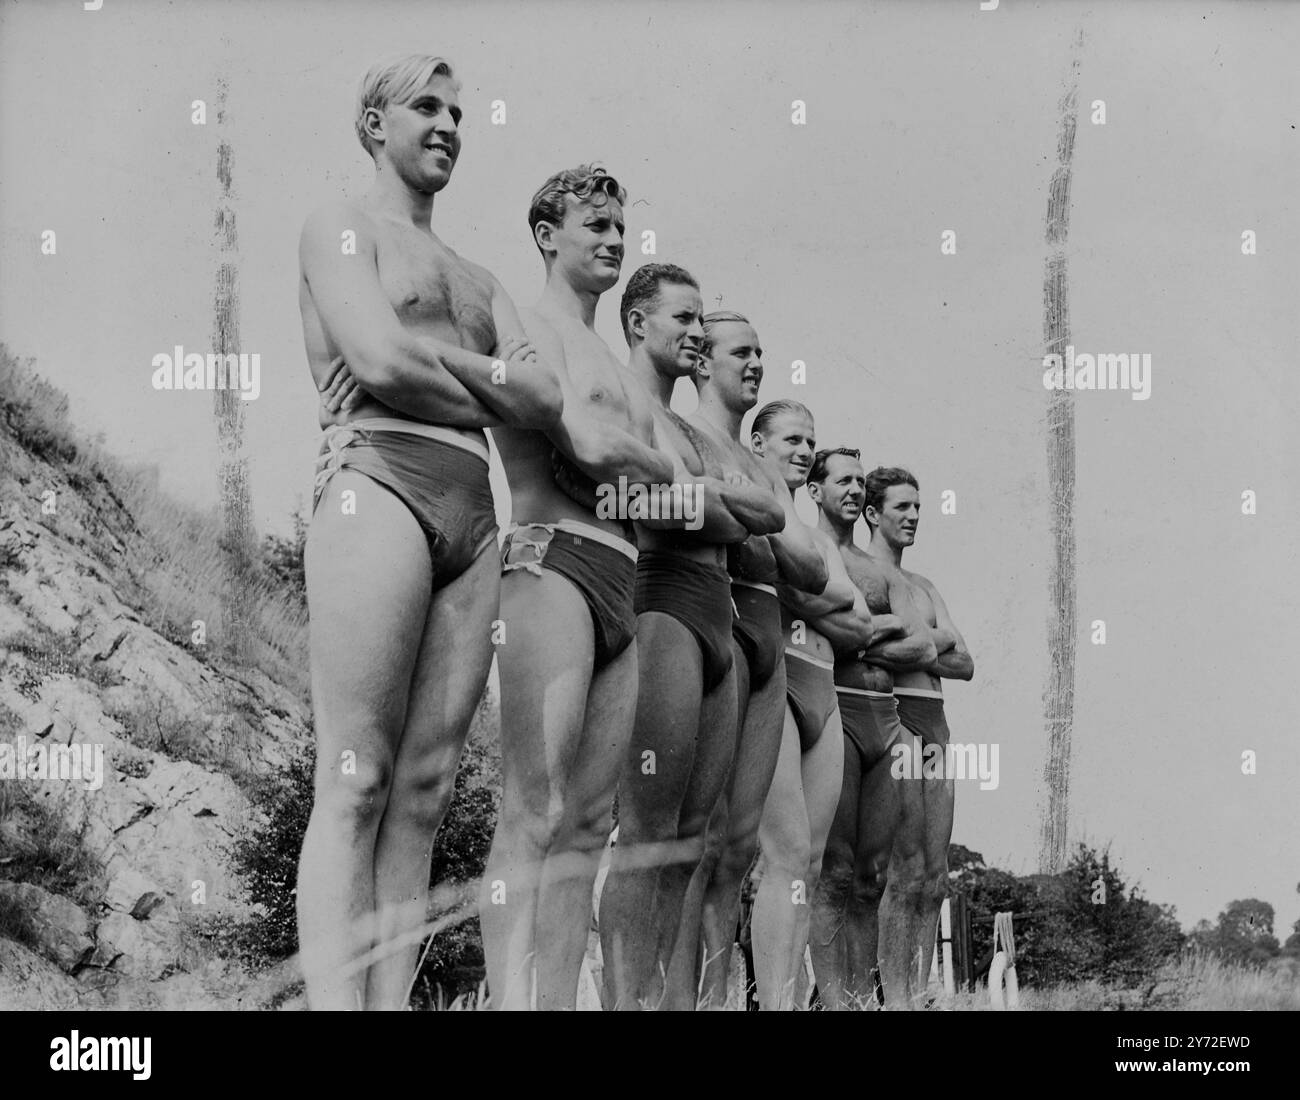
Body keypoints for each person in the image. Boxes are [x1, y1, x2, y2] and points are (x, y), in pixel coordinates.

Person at [297, 53, 561, 1010]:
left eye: (459, 110)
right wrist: (477, 376)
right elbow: (376, 360)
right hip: (379, 482)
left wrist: (432, 359)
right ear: (374, 123)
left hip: (472, 510)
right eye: (426, 107)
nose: (449, 124)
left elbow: (543, 400)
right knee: (357, 777)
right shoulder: (341, 227)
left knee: (425, 791)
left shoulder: (482, 279)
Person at [480, 165, 676, 1009]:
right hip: (549, 558)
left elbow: (655, 476)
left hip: (621, 580)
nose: (611, 240)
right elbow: (587, 453)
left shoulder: (618, 365)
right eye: (594, 225)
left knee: (591, 824)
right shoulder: (527, 326)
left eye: (619, 230)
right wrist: (623, 458)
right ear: (545, 235)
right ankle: (508, 1000)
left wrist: (617, 454)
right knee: (534, 804)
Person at [597, 264, 786, 1010]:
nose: (697, 334)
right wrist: (714, 502)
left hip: (721, 611)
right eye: (684, 319)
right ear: (639, 322)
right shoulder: (626, 398)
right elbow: (637, 500)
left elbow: (765, 514)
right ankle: (622, 1000)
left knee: (691, 842)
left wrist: (711, 500)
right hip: (664, 597)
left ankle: (665, 1001)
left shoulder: (689, 428)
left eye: (702, 322)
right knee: (646, 834)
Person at [665, 318, 827, 1009]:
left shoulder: (762, 469)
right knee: (692, 842)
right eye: (743, 353)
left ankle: (740, 999)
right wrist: (755, 515)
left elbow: (813, 569)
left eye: (763, 351)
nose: (757, 362)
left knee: (741, 850)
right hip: (715, 624)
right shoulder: (684, 431)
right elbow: (682, 511)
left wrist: (746, 509)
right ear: (704, 362)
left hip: (771, 645)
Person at [804, 448, 936, 1010]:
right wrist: (866, 630)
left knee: (872, 877)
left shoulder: (880, 568)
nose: (856, 490)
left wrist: (859, 628)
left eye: (861, 481)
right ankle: (833, 1002)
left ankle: (861, 1000)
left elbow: (926, 642)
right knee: (833, 872)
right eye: (844, 480)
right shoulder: (807, 547)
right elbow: (816, 622)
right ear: (816, 490)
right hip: (838, 705)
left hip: (887, 715)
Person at [745, 401, 862, 1009]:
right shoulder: (753, 503)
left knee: (811, 865)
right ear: (759, 442)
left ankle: (787, 998)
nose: (802, 450)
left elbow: (858, 617)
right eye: (791, 439)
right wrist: (814, 589)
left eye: (809, 442)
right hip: (779, 678)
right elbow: (825, 592)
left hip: (825, 687)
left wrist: (799, 587)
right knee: (783, 852)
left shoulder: (815, 537)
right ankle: (769, 1001)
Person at [862, 467, 974, 1000]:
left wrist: (923, 644)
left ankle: (919, 993)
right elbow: (863, 645)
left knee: (934, 876)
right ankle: (894, 996)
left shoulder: (925, 586)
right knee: (903, 871)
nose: (912, 517)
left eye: (917, 508)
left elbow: (965, 662)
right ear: (872, 513)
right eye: (901, 507)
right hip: (898, 716)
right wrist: (934, 643)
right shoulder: (865, 575)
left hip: (937, 724)